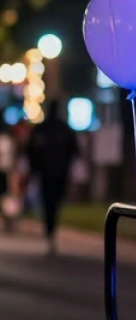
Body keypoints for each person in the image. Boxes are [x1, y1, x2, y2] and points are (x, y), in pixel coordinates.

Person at [27, 101, 78, 253]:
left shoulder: (42, 129)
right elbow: (75, 151)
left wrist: (34, 168)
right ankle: (51, 231)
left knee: (48, 203)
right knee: (54, 202)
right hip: (60, 173)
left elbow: (31, 151)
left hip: (46, 173)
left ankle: (50, 231)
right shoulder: (64, 129)